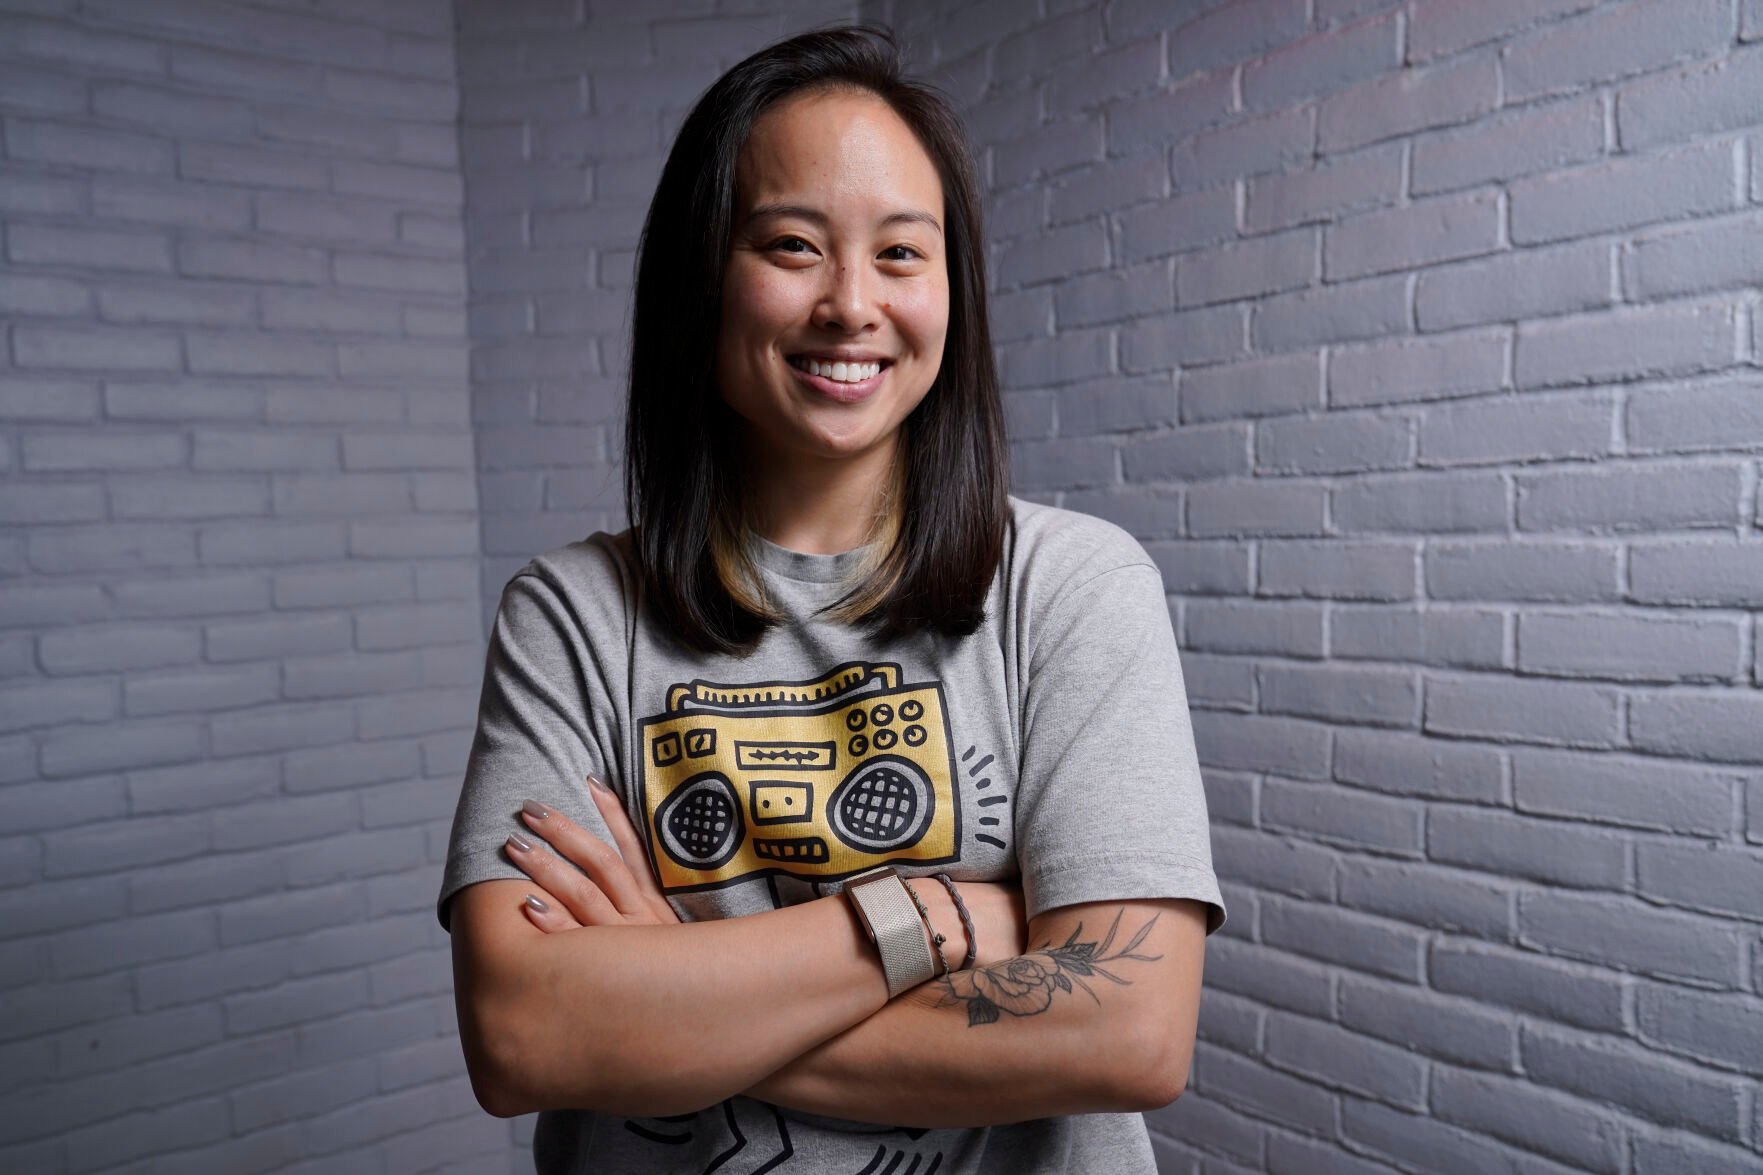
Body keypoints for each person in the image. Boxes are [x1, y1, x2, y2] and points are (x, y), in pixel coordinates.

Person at [438, 23, 1226, 1174]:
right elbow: (520, 1034)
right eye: (792, 244)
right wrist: (938, 918)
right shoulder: (572, 614)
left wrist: (671, 998)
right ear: (702, 275)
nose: (852, 303)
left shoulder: (1073, 588)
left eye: (901, 254)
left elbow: (1132, 1030)